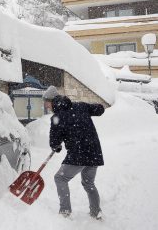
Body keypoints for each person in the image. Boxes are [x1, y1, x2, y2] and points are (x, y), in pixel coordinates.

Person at [42, 86, 105, 220]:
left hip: (78, 154)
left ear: (52, 101)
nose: (45, 105)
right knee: (89, 183)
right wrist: (99, 107)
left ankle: (65, 211)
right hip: (94, 152)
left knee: (60, 178)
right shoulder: (80, 106)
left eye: (46, 102)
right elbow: (99, 109)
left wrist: (56, 146)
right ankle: (96, 212)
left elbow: (54, 143)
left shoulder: (56, 118)